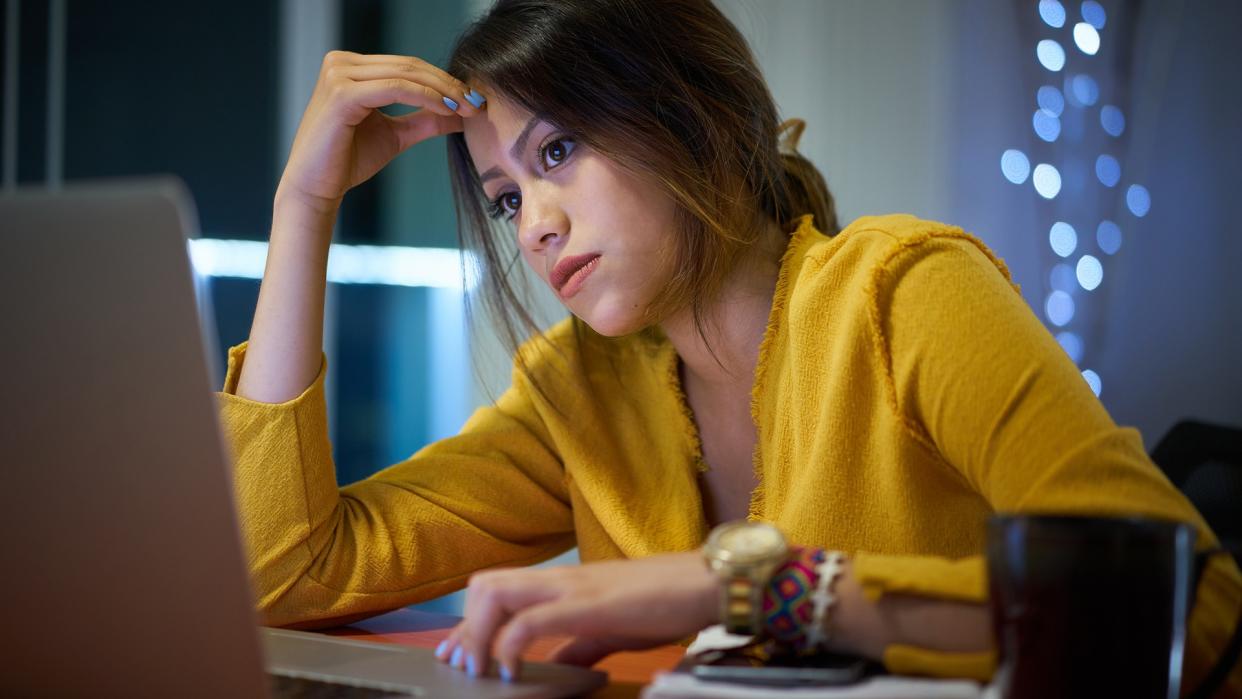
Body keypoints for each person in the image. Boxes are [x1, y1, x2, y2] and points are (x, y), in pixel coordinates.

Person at [217, 0, 1242, 692]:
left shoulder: (904, 293)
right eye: (505, 198)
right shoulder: (577, 391)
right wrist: (302, 206)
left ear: (690, 117)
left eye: (559, 152)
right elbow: (282, 577)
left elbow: (1184, 608)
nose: (531, 224)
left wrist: (744, 590)